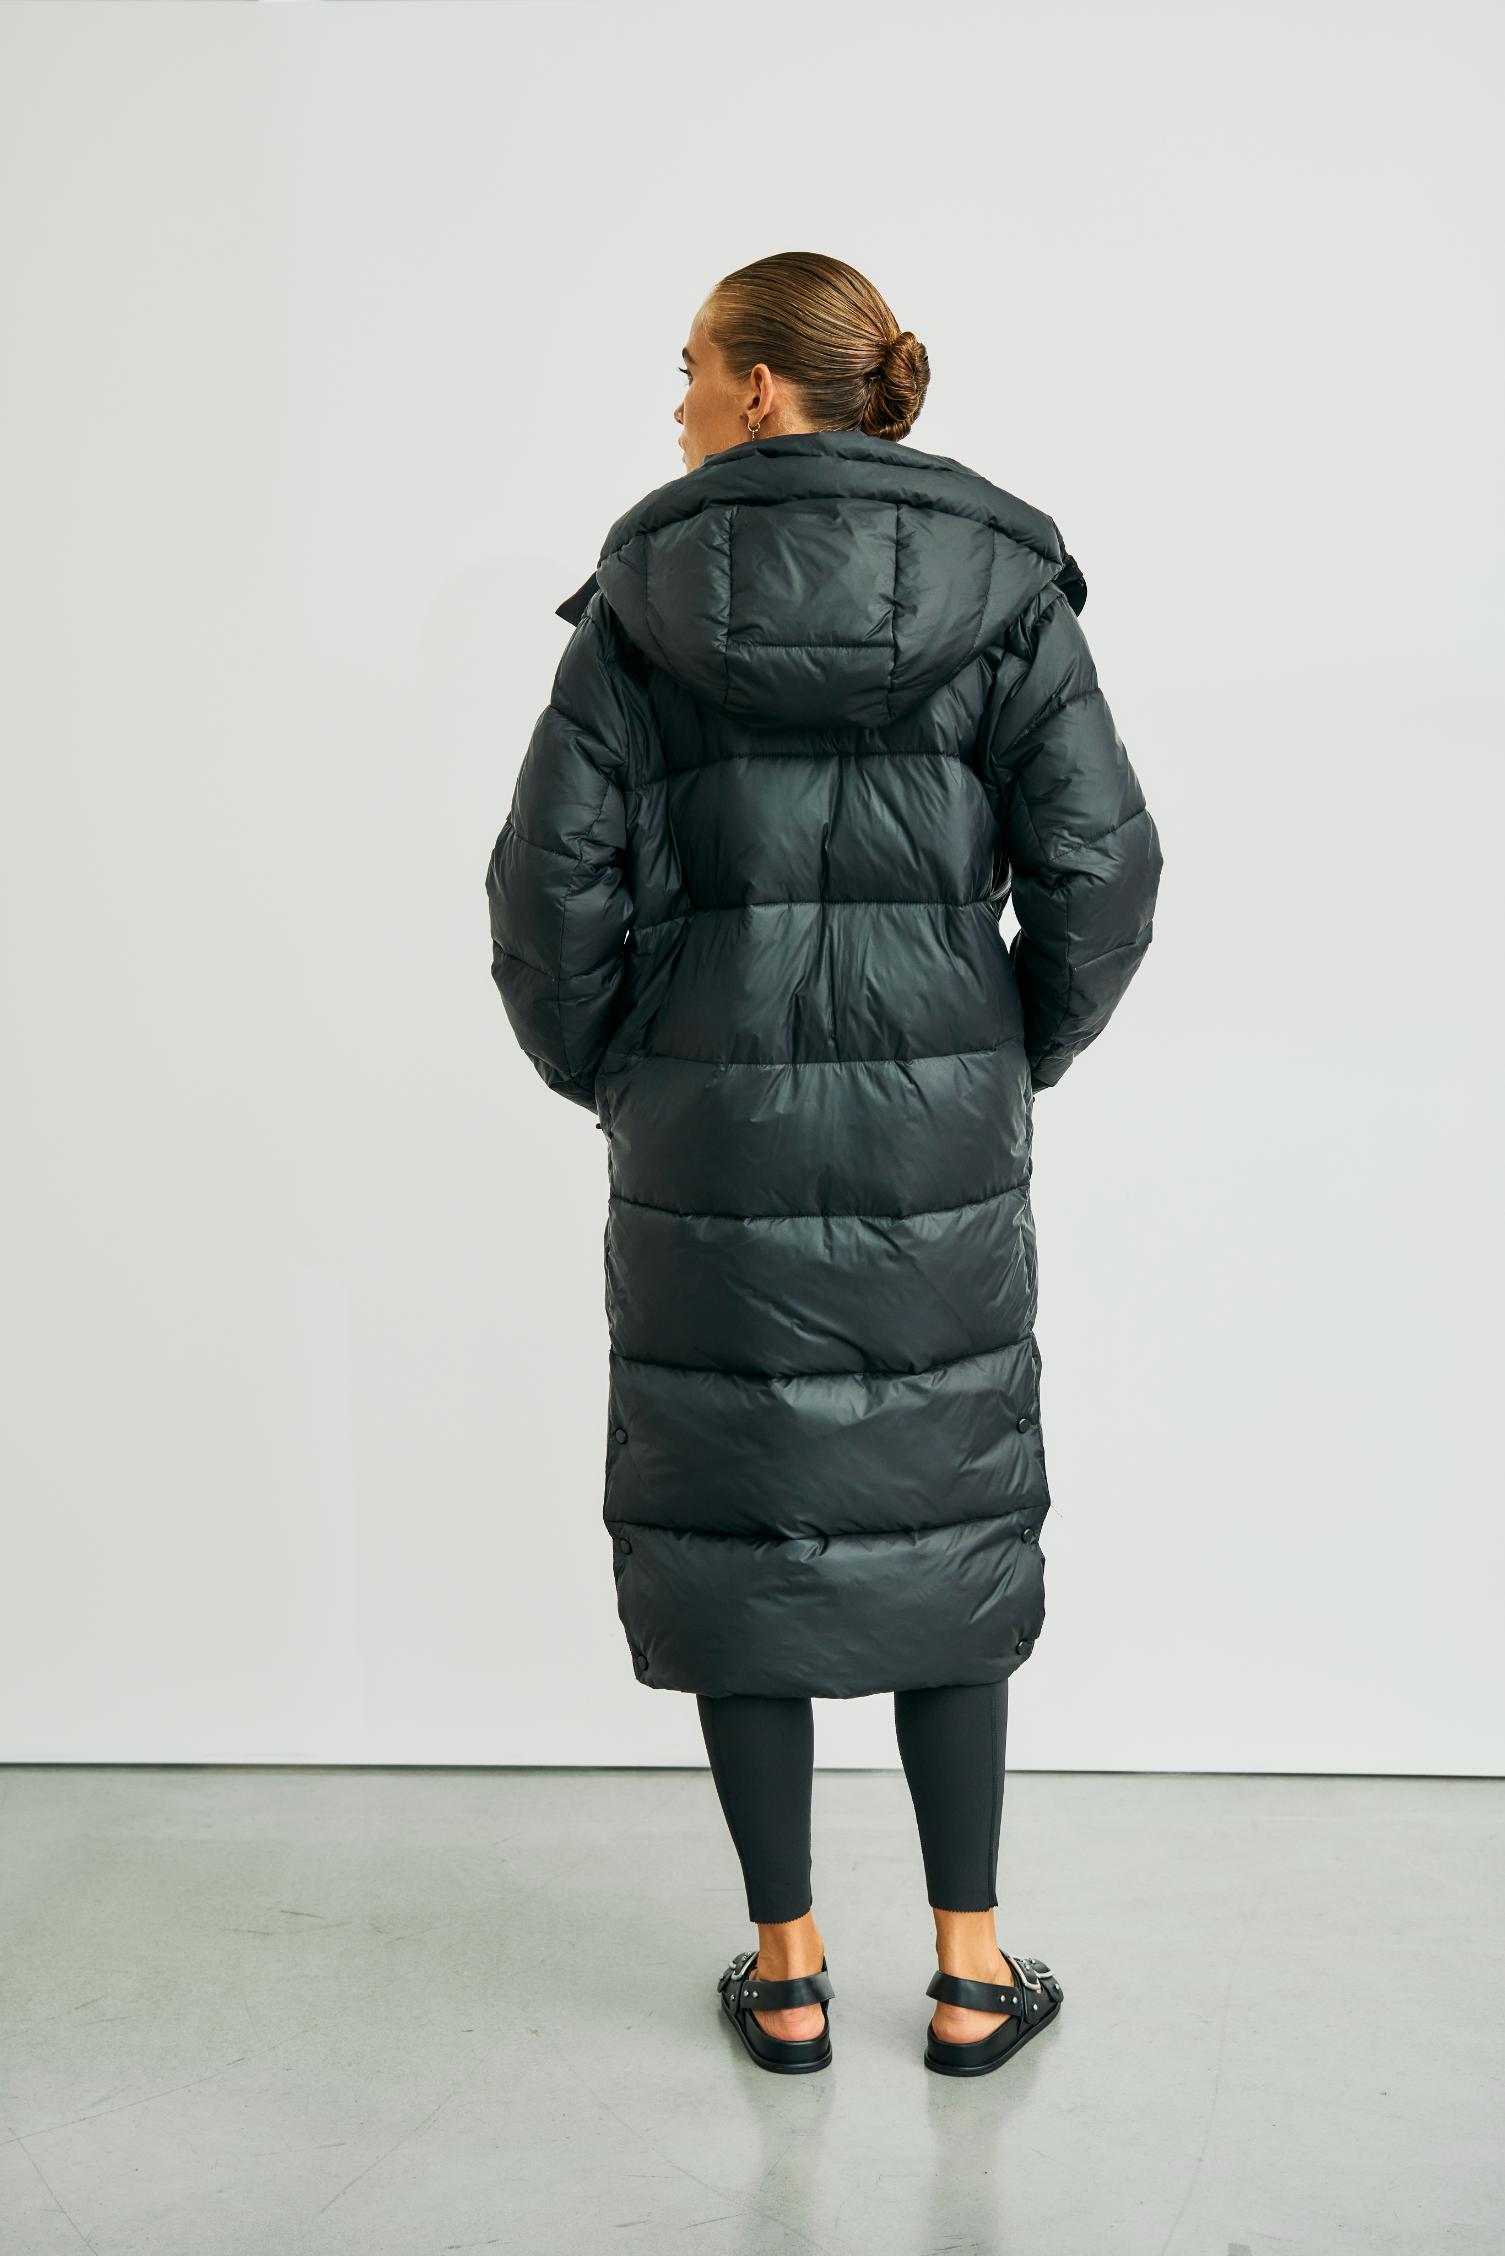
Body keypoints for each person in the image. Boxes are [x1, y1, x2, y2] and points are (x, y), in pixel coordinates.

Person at [484, 251, 1163, 2078]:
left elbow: (547, 895)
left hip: (704, 1131)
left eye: (690, 369)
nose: (676, 406)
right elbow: (1101, 871)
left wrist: (618, 1068)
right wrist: (1000, 1051)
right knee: (943, 1514)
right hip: (939, 1135)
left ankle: (786, 1976)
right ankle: (968, 1973)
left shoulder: (637, 611)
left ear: (763, 391)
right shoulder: (1006, 597)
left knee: (743, 1526)